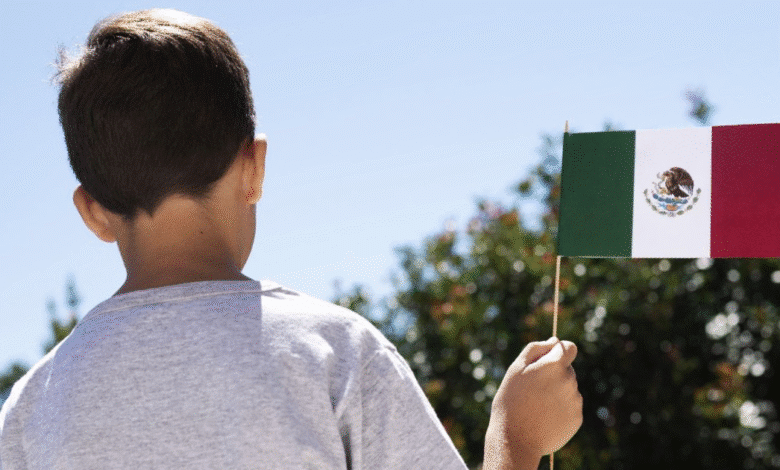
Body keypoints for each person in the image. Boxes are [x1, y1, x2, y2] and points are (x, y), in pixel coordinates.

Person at [0, 9, 582, 469]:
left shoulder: (32, 407)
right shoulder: (335, 353)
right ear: (253, 166)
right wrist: (516, 439)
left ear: (91, 212)